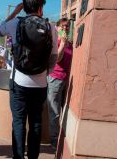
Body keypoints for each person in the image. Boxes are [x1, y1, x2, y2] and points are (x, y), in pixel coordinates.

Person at [0, 0, 57, 159]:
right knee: (36, 122)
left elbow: (0, 31)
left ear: (24, 7)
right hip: (40, 84)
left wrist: (15, 12)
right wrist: (45, 72)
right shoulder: (50, 26)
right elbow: (53, 56)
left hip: (18, 81)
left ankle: (18, 157)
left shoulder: (16, 23)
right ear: (40, 8)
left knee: (18, 122)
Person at [47, 17, 73, 148]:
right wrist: (62, 44)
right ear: (57, 28)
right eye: (63, 26)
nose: (65, 28)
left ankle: (62, 137)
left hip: (66, 79)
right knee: (55, 111)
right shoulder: (55, 41)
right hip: (55, 78)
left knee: (65, 110)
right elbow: (57, 59)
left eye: (67, 26)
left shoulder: (70, 42)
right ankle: (54, 140)